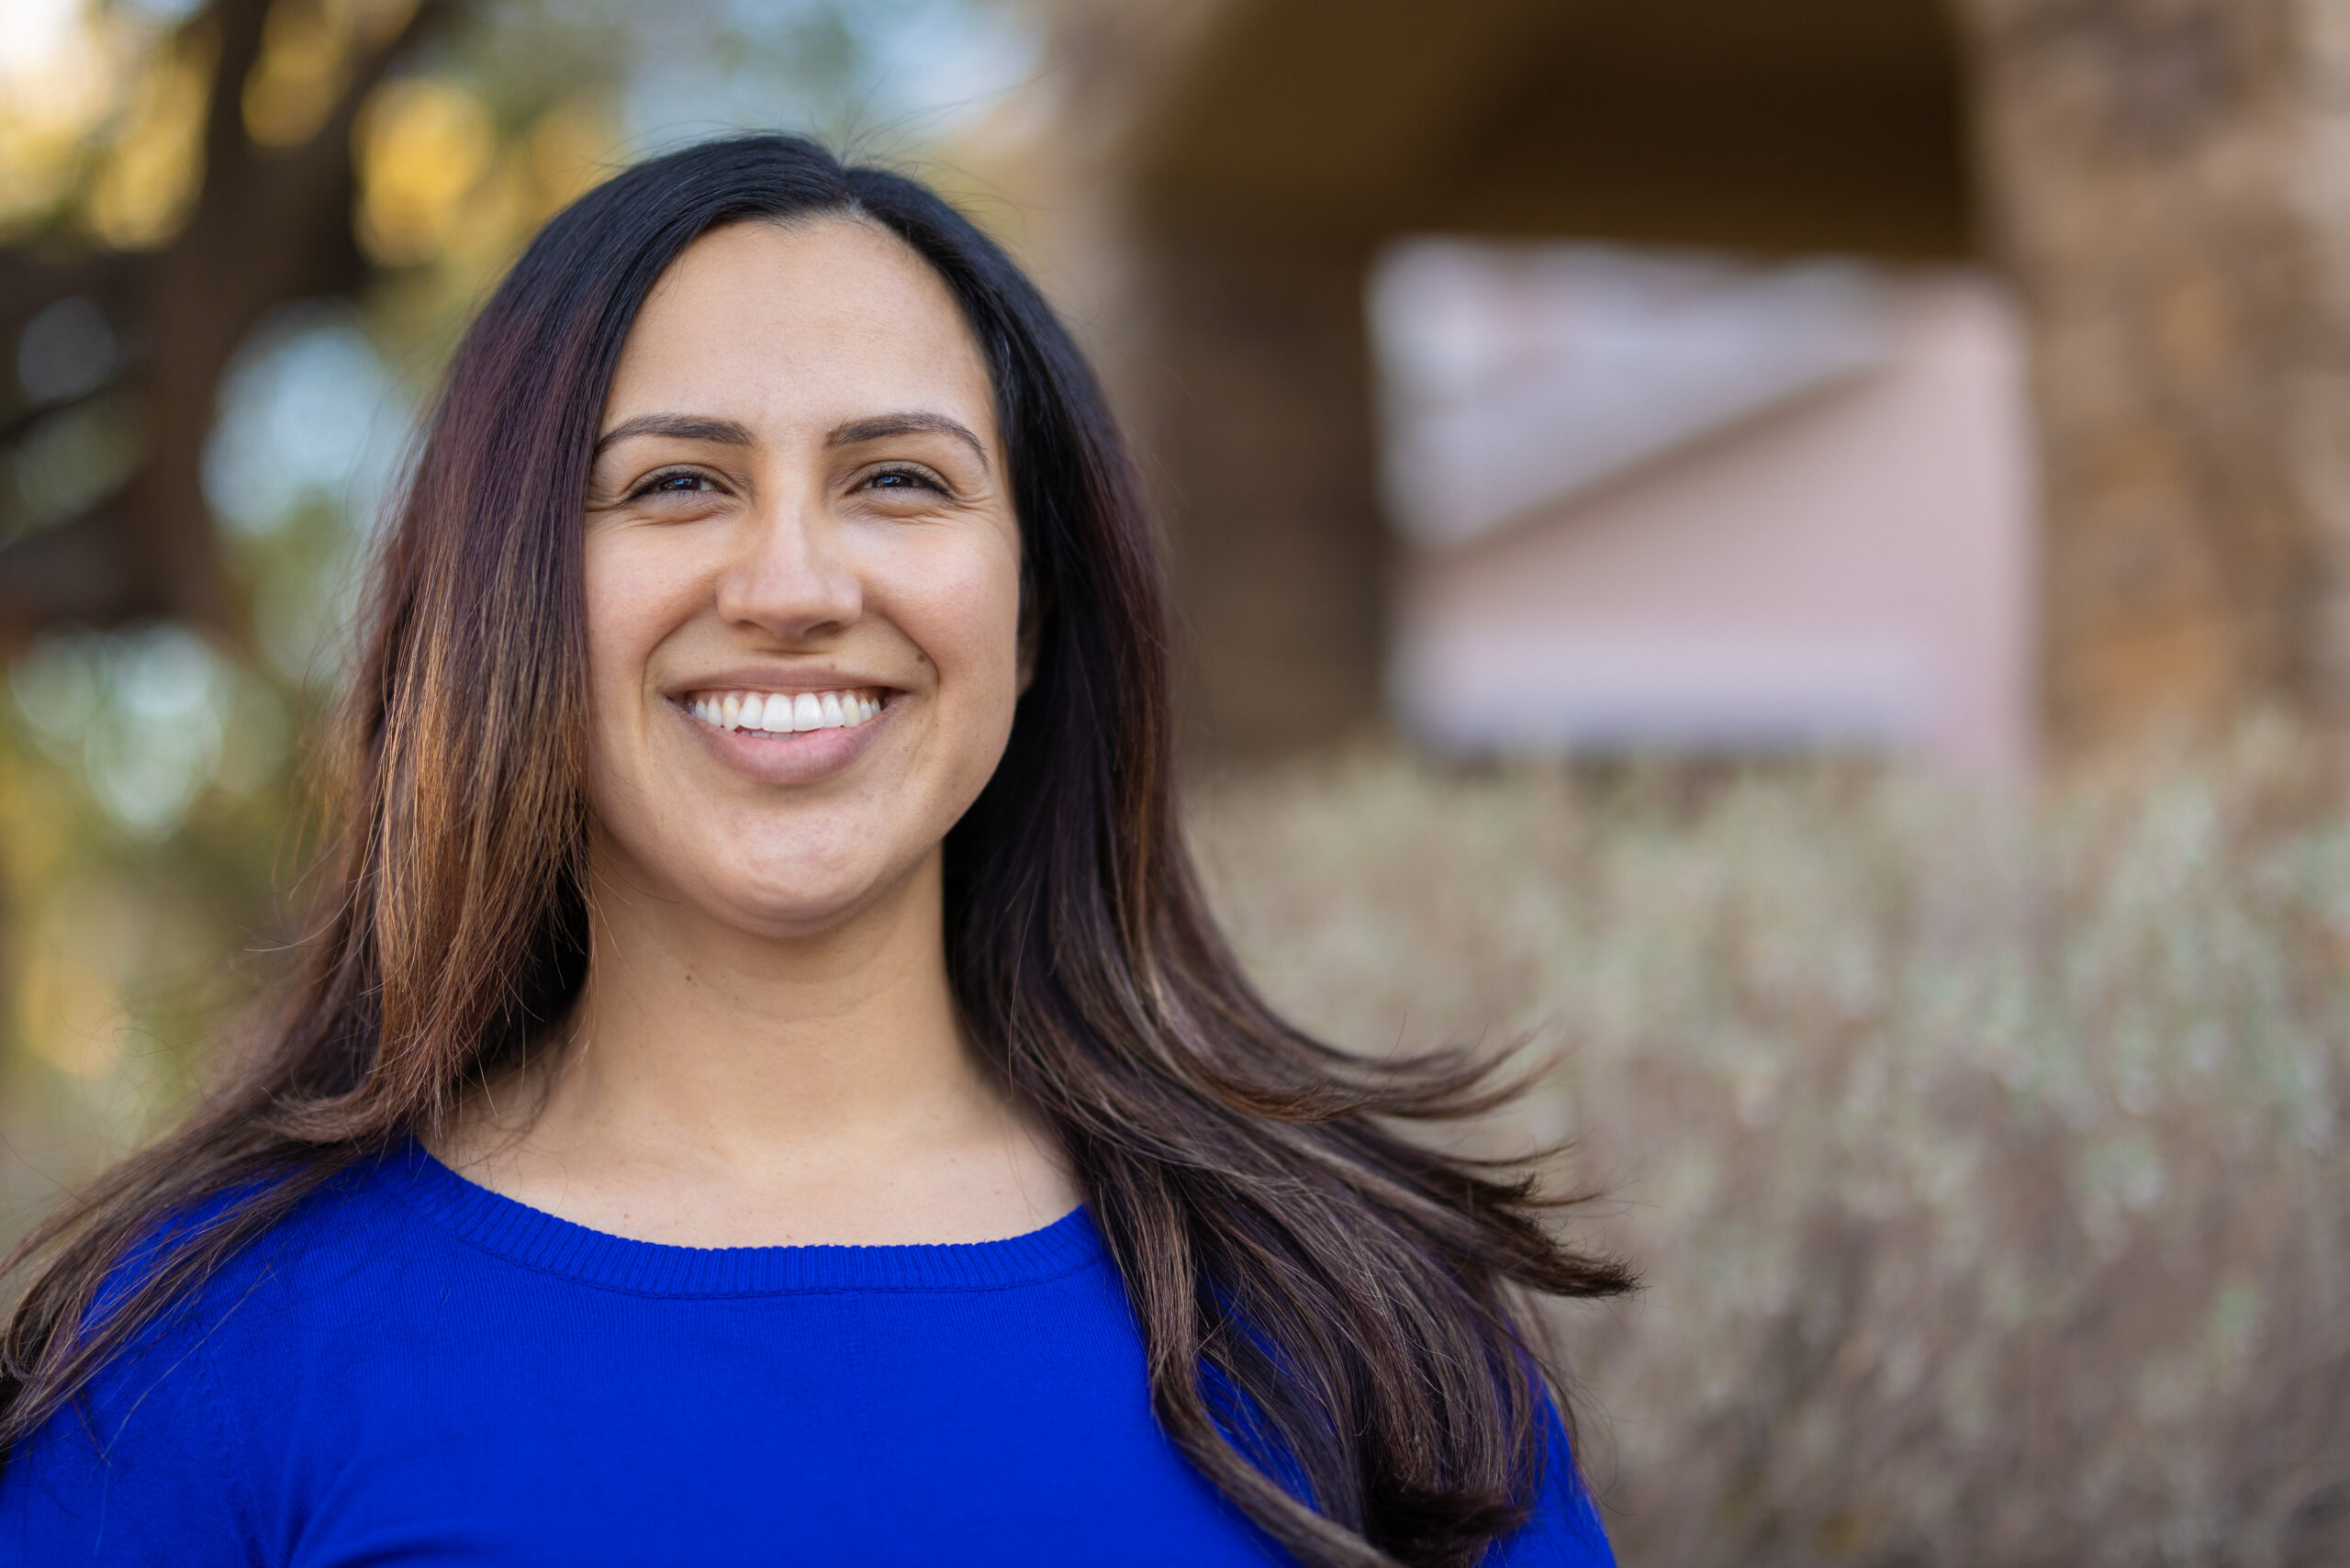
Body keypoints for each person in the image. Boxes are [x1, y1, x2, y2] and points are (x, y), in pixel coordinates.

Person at [0, 135, 1631, 1567]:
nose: (792, 584)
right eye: (679, 483)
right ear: (510, 600)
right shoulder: (209, 1357)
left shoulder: (1356, 1318)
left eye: (900, 479)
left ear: (1034, 606)